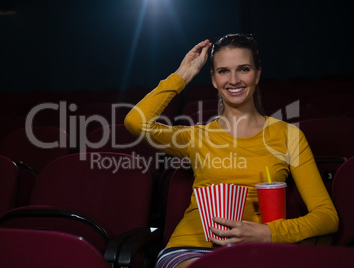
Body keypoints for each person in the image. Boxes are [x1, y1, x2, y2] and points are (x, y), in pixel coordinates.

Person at [124, 34, 338, 268]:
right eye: (223, 71)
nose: (233, 80)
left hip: (259, 250)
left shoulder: (288, 136)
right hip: (192, 249)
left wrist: (270, 233)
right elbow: (136, 122)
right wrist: (182, 76)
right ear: (214, 79)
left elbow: (327, 216)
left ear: (257, 74)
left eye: (243, 69)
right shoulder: (197, 136)